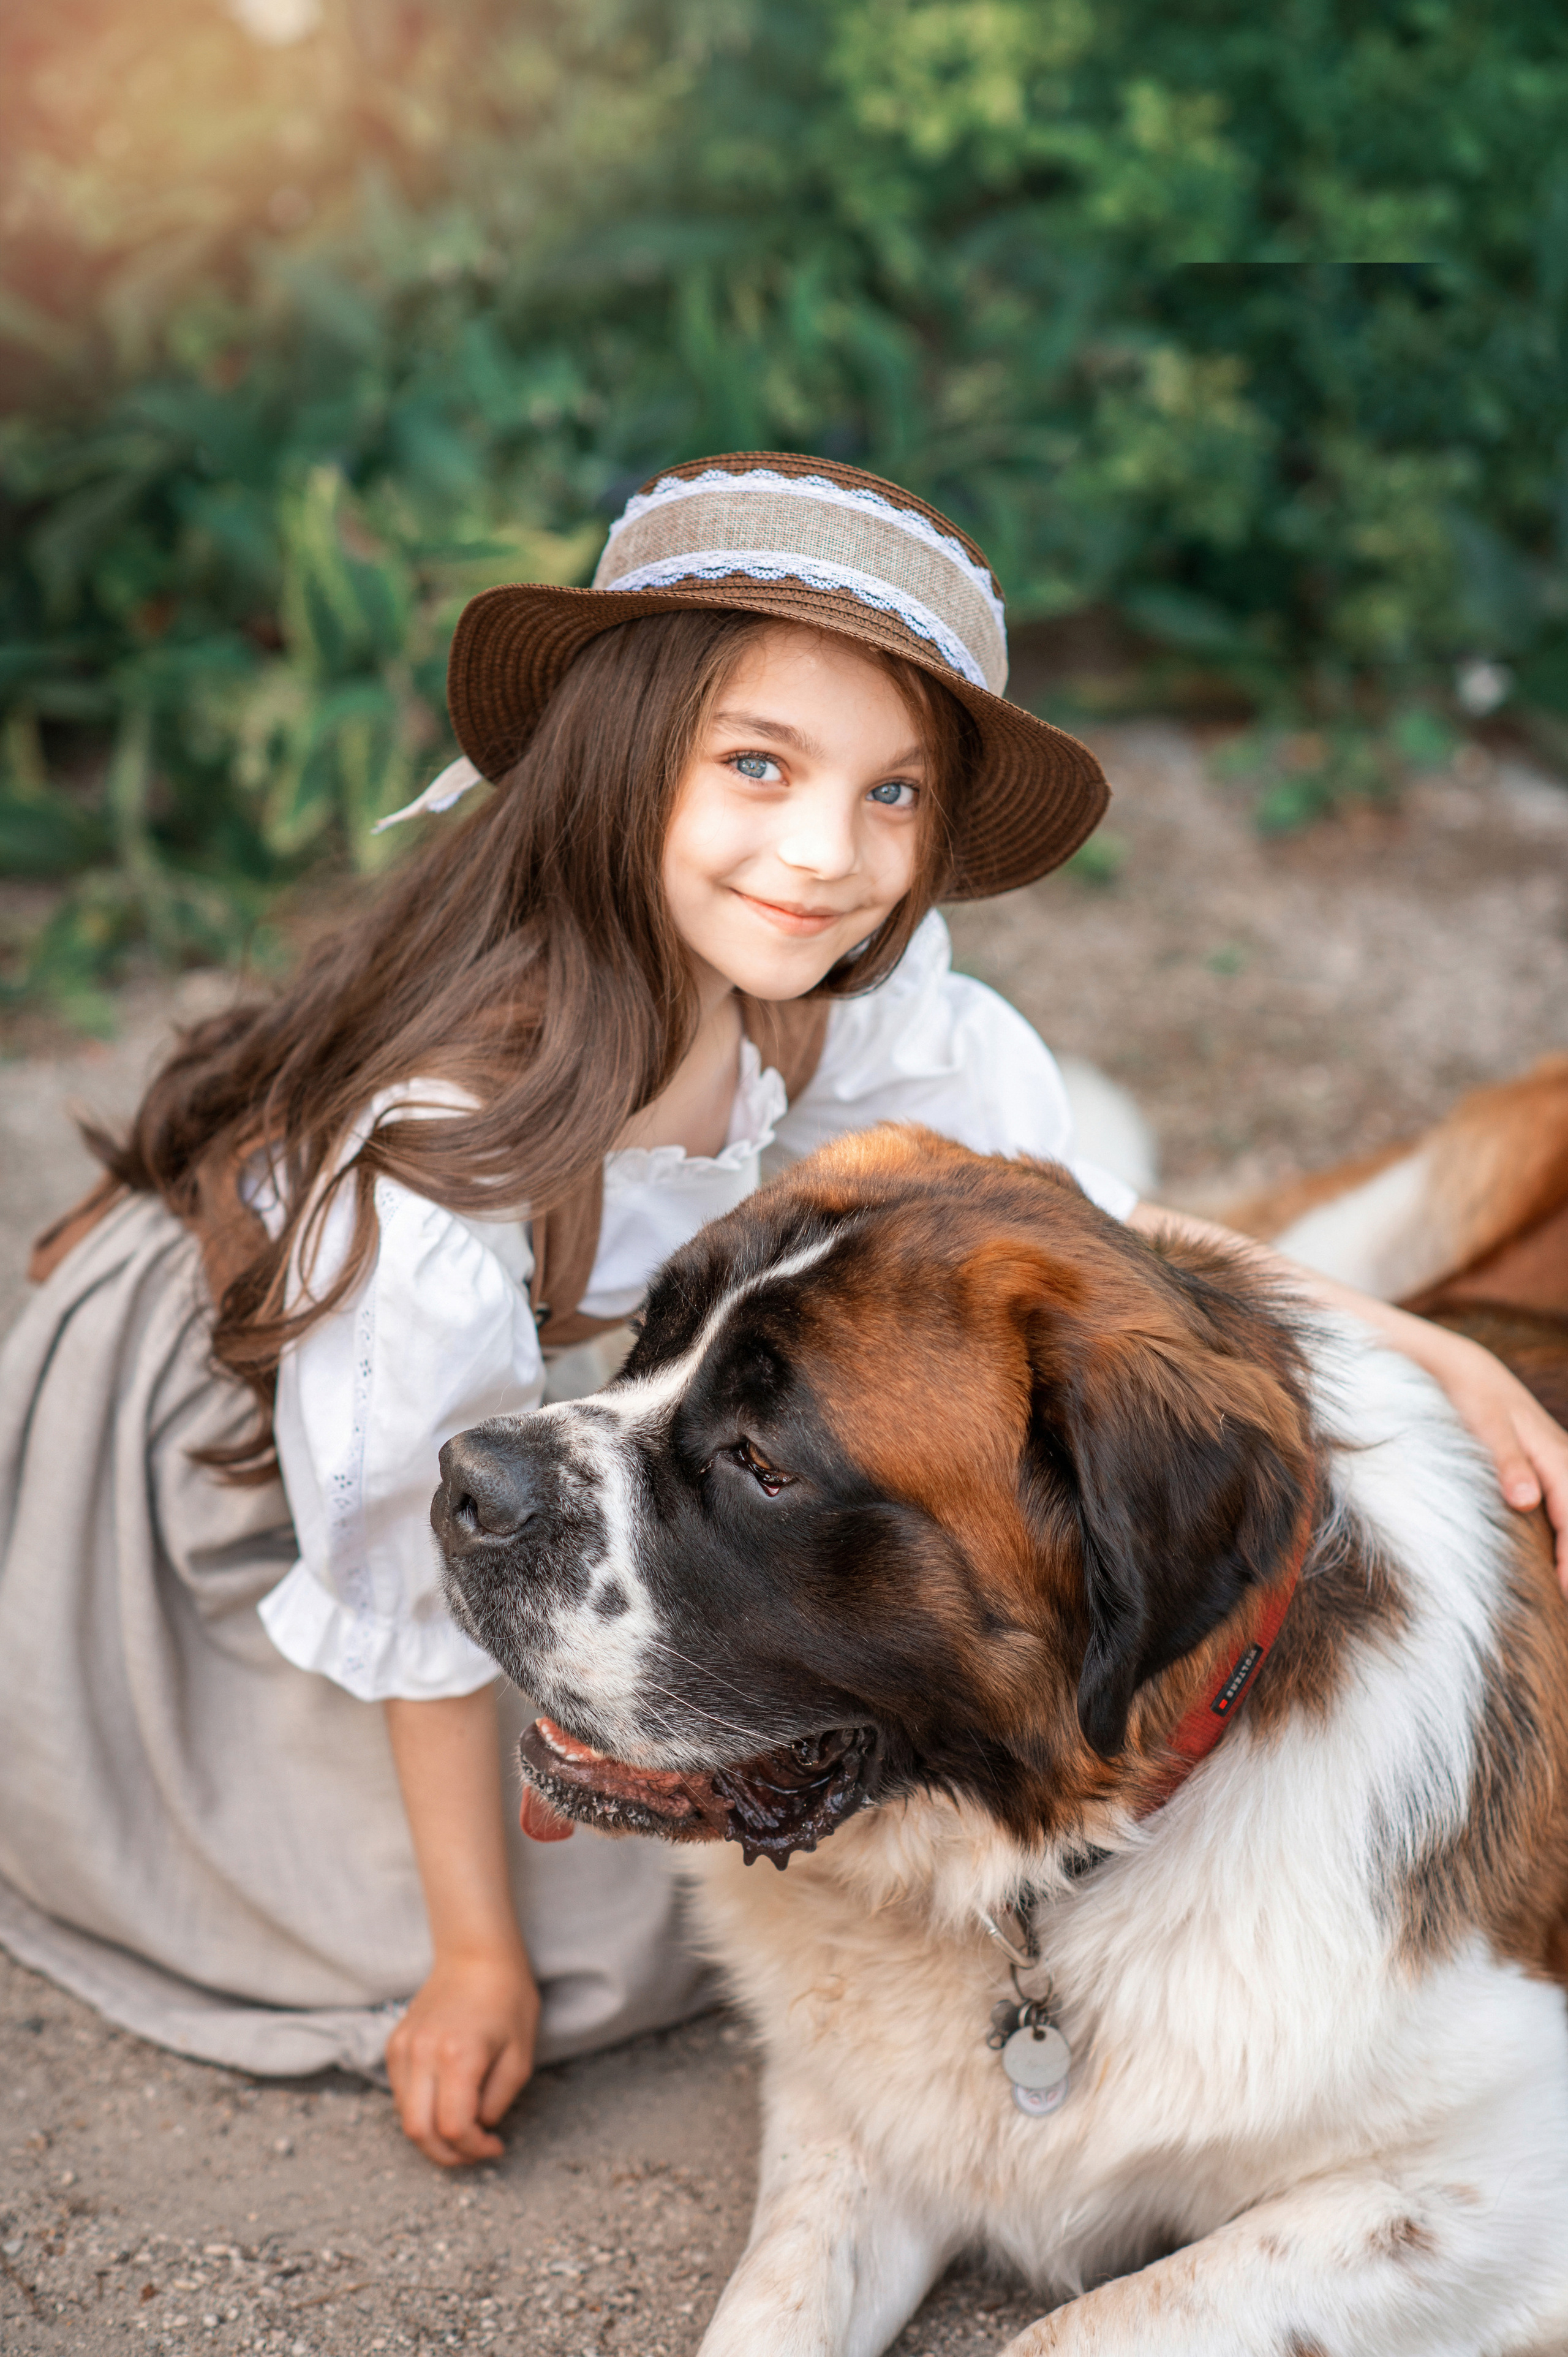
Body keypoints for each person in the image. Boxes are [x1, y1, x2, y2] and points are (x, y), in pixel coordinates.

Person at [2, 453, 1564, 2173]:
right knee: (596, 1924)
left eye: (893, 794)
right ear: (620, 759)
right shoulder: (439, 1172)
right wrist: (472, 1959)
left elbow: (1066, 1235)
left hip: (554, 1426)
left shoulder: (843, 995)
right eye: (759, 764)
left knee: (737, 1797)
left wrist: (1411, 1344)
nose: (827, 856)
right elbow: (407, 1584)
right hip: (261, 1452)